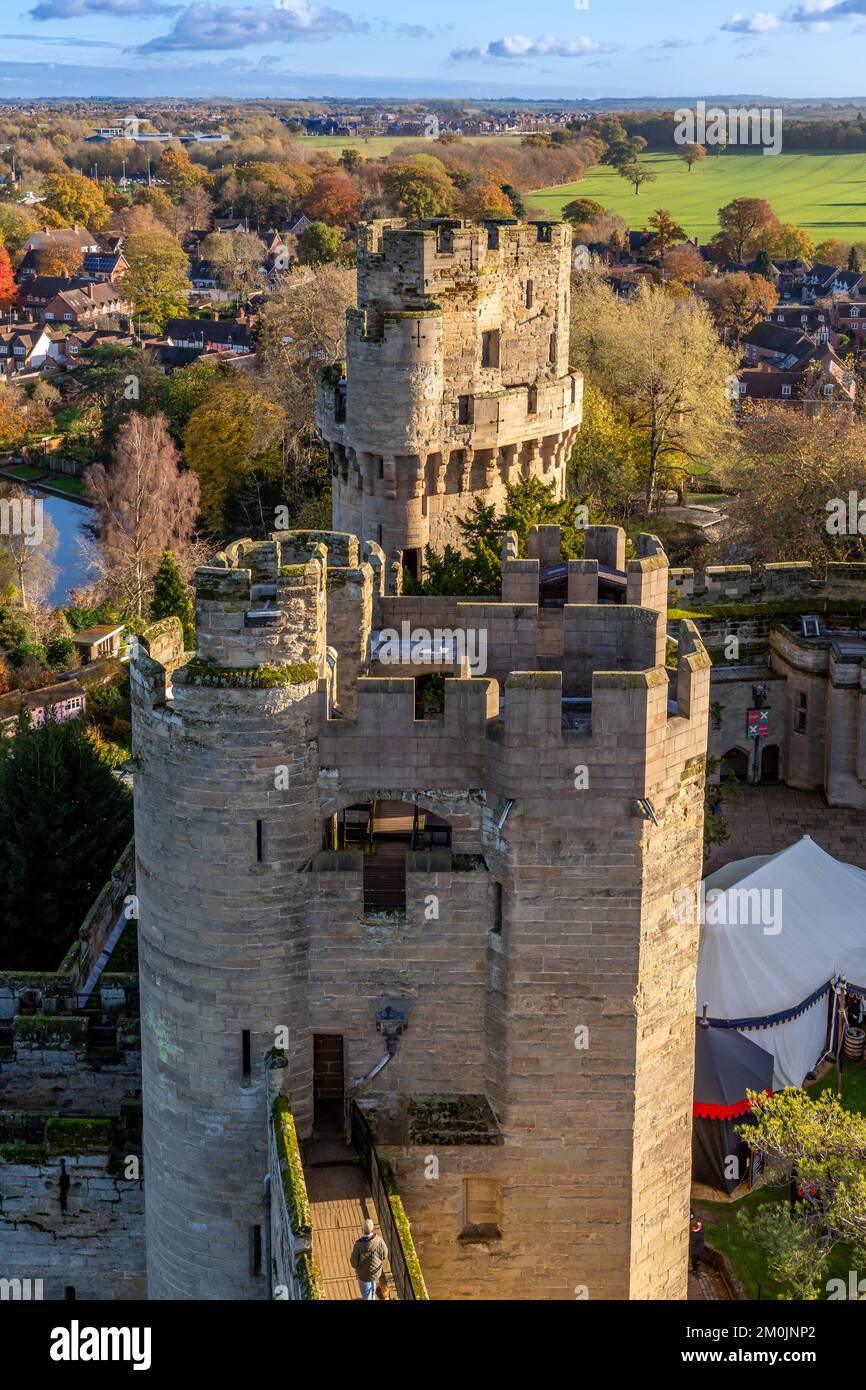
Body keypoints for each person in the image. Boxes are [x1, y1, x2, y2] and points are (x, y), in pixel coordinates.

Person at [350, 1218, 388, 1300]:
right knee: (373, 1286)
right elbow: (385, 1254)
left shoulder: (358, 1245)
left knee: (366, 1294)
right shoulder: (379, 1240)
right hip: (376, 1272)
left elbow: (353, 1263)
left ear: (363, 1229)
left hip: (363, 1275)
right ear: (373, 1229)